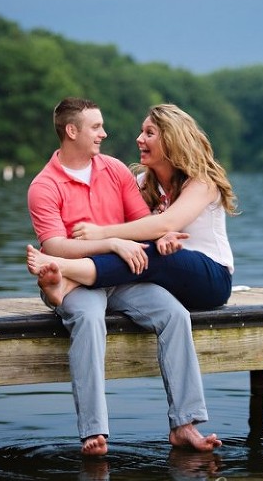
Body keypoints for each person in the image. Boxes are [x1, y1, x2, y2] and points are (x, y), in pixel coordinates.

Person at [27, 97, 222, 457]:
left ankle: (185, 424)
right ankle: (93, 430)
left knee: (174, 314)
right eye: (96, 127)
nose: (105, 133)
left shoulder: (116, 171)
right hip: (72, 279)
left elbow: (142, 224)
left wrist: (156, 237)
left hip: (119, 279)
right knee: (87, 318)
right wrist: (115, 243)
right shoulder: (44, 186)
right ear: (72, 131)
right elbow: (54, 247)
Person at [26, 103, 236, 311]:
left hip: (211, 280)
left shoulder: (202, 182)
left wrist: (102, 234)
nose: (139, 139)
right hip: (167, 281)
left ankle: (66, 272)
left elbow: (166, 223)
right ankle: (69, 283)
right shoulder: (142, 183)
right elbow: (142, 228)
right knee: (138, 251)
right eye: (141, 131)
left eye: (149, 133)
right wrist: (129, 241)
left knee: (156, 255)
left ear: (171, 140)